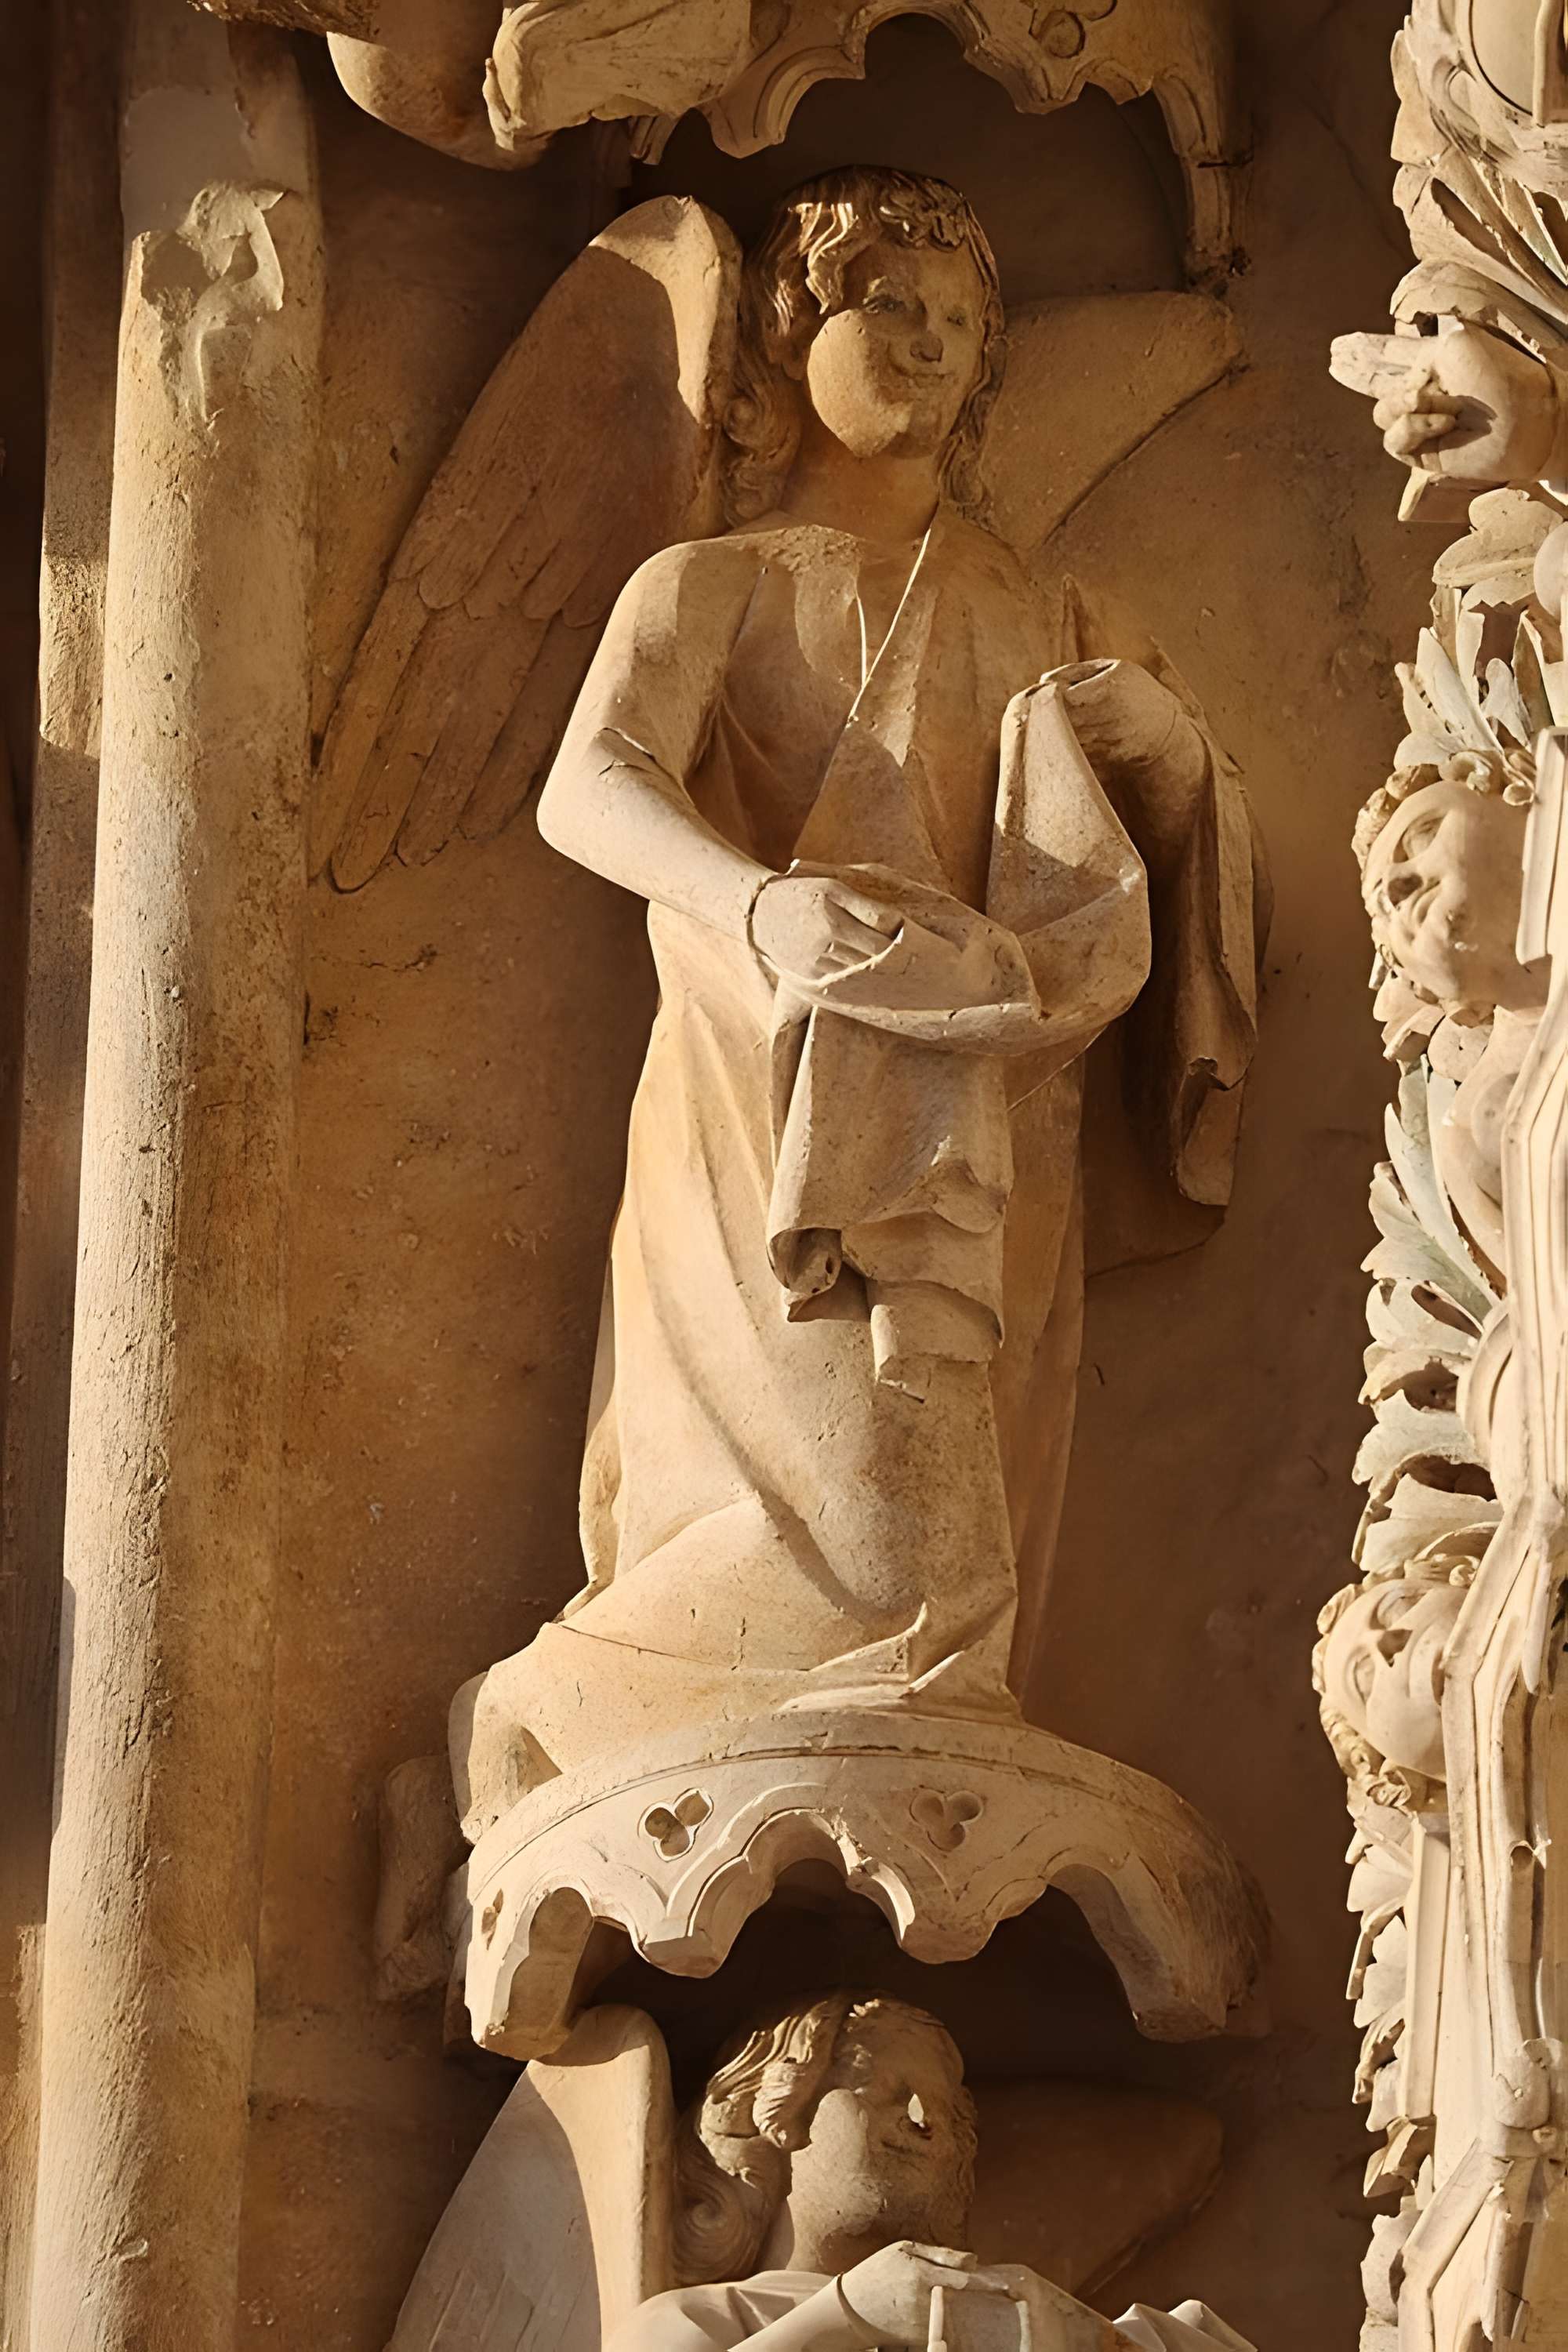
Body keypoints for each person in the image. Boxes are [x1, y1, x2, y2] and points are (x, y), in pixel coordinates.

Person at [455, 169, 1258, 1831]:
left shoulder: (1034, 605)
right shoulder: (714, 582)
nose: (927, 346)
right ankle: (544, 1715)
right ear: (784, 330)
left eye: (959, 323)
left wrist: (1168, 758)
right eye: (886, 305)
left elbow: (1149, 837)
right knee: (787, 1487)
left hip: (981, 1094)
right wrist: (762, 906)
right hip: (756, 1081)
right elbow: (589, 789)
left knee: (940, 1506)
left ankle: (791, 1697)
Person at [608, 1993, 1251, 2352]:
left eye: (948, 2110)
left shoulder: (999, 2316)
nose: (924, 2119)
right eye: (883, 2088)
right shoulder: (697, 2321)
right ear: (779, 2114)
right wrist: (848, 2312)